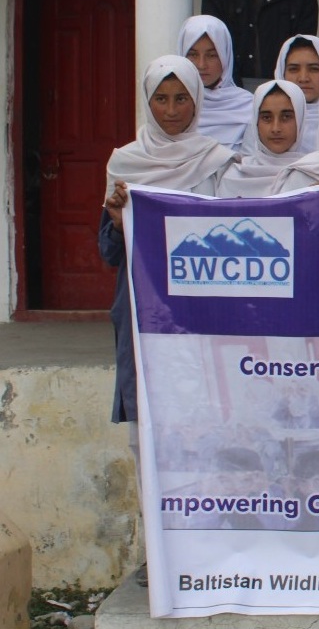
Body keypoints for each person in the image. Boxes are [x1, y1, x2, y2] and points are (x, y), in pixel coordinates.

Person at [100, 55, 237, 426]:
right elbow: (109, 254)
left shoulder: (217, 161)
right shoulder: (126, 164)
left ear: (197, 100)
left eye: (182, 98)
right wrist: (117, 223)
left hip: (203, 306)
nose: (172, 110)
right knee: (147, 416)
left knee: (209, 409)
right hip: (143, 308)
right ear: (148, 102)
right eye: (161, 99)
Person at [217, 80, 307, 197]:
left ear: (300, 120)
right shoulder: (235, 176)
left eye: (286, 117)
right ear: (256, 123)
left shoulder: (311, 174)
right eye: (266, 117)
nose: (276, 128)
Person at [177, 15, 253, 151]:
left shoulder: (249, 106)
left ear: (225, 56)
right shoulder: (171, 106)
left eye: (212, 55)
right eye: (193, 55)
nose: (201, 65)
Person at [273, 35, 319, 154]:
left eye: (314, 69)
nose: (303, 78)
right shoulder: (263, 119)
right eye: (293, 69)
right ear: (282, 73)